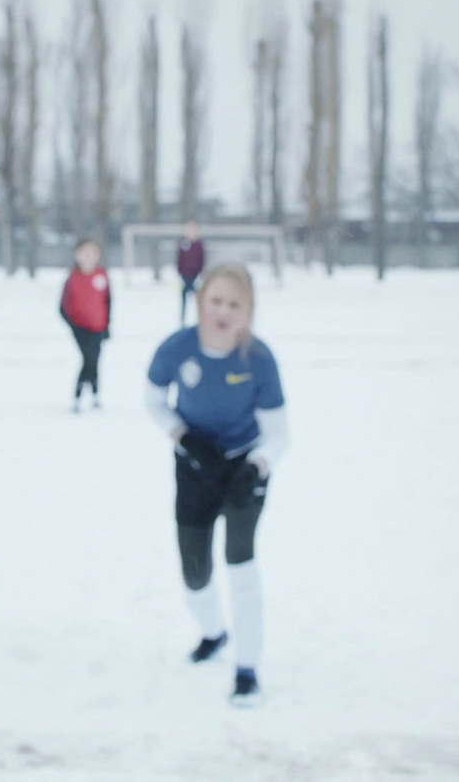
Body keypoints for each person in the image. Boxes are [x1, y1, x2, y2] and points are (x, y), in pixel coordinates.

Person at [145, 263, 288, 707]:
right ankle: (213, 633)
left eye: (235, 304)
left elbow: (279, 432)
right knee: (194, 571)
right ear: (200, 301)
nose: (223, 312)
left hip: (244, 470)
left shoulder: (258, 359)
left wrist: (255, 467)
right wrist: (183, 437)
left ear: (248, 311)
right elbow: (153, 401)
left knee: (240, 566)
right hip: (194, 467)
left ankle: (247, 670)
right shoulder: (176, 348)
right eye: (215, 301)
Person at [60, 239, 112, 412]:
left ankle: (96, 394)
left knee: (96, 360)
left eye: (93, 252)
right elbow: (62, 307)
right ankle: (78, 396)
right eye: (85, 252)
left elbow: (108, 301)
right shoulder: (73, 278)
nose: (89, 256)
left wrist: (107, 326)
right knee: (88, 360)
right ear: (77, 255)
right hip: (81, 329)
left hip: (98, 327)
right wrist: (75, 327)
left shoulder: (102, 275)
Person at [177, 221, 207, 326]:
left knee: (198, 301)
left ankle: (200, 320)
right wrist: (180, 275)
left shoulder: (199, 245)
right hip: (184, 277)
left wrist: (199, 276)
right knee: (184, 300)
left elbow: (202, 261)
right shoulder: (182, 243)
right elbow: (179, 260)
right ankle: (182, 321)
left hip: (196, 278)